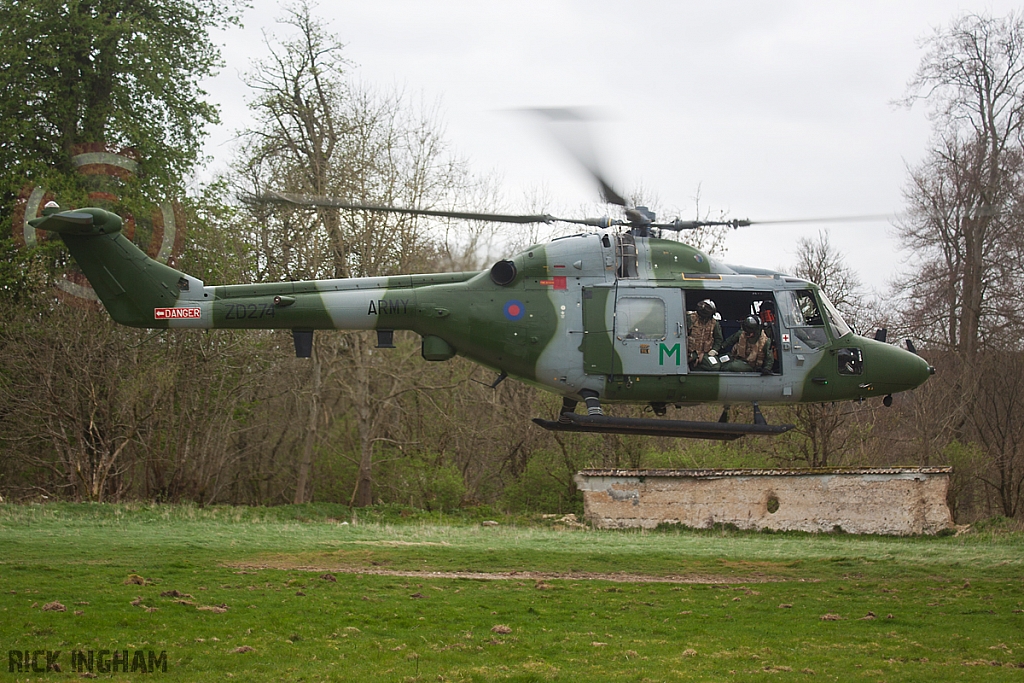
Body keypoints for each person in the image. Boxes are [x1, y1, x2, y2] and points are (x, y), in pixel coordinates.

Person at [686, 299, 724, 371]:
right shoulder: (690, 318)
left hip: (706, 353)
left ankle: (696, 367)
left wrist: (714, 350)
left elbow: (718, 339)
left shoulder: (714, 323)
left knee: (715, 366)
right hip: (690, 352)